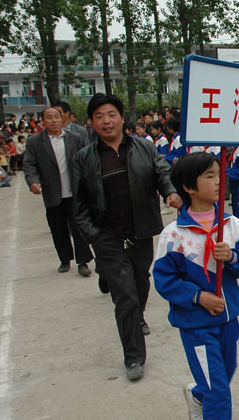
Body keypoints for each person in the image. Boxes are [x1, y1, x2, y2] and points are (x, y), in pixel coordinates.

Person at [153, 152, 239, 420]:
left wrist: (234, 257)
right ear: (188, 187)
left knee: (224, 374)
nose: (219, 181)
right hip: (197, 326)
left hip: (229, 320)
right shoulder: (174, 235)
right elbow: (164, 280)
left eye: (219, 174)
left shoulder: (231, 224)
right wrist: (198, 297)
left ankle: (195, 393)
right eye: (210, 176)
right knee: (219, 393)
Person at [72, 93, 182, 381]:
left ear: (121, 118)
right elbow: (79, 204)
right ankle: (134, 356)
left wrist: (170, 191)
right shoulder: (84, 158)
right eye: (99, 116)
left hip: (141, 231)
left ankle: (139, 317)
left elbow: (161, 172)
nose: (106, 121)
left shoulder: (144, 148)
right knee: (125, 296)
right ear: (92, 122)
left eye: (111, 114)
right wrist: (93, 236)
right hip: (107, 236)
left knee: (141, 282)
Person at [23, 106, 94, 276]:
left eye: (57, 116)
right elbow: (29, 165)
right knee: (58, 229)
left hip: (74, 192)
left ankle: (83, 261)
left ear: (62, 118)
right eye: (49, 117)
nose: (54, 120)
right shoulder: (35, 142)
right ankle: (64, 259)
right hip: (52, 192)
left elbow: (86, 160)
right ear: (43, 121)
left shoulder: (75, 138)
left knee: (79, 228)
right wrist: (33, 181)